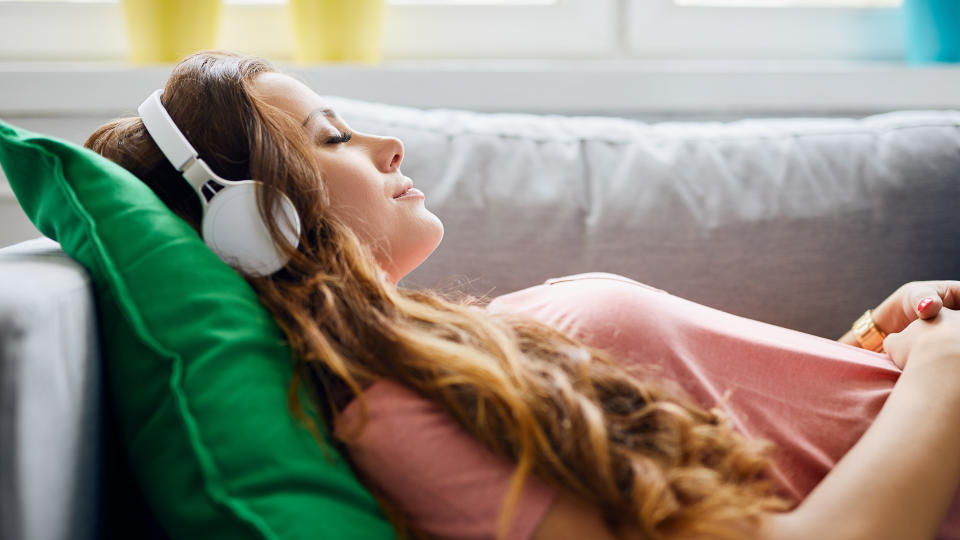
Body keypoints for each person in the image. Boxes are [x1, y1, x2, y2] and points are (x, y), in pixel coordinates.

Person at [84, 51, 960, 540]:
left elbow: (753, 455)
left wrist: (875, 346)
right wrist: (942, 373)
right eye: (335, 138)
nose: (390, 145)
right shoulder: (402, 418)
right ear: (261, 221)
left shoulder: (443, 358)